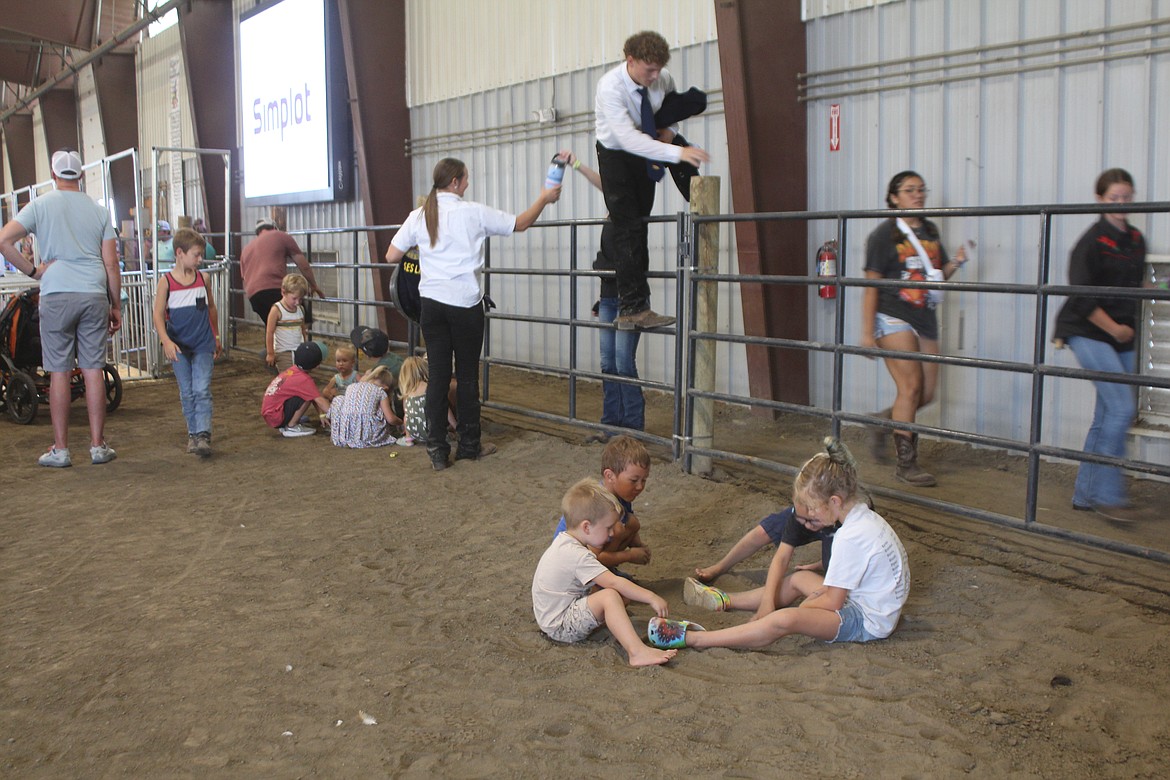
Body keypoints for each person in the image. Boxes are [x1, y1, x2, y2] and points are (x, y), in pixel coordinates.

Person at [648, 438, 910, 651]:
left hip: (866, 621)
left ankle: (697, 639)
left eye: (813, 509)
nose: (811, 516)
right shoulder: (864, 516)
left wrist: (805, 609)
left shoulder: (849, 536)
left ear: (834, 501)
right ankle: (726, 601)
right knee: (800, 579)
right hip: (872, 605)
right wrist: (818, 597)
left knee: (785, 619)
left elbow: (833, 602)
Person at [385, 157, 560, 470]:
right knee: (466, 376)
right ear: (454, 181)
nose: (467, 183)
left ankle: (437, 450)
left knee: (437, 375)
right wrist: (544, 199)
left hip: (432, 304)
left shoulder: (420, 215)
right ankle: (469, 445)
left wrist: (428, 252)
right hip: (465, 304)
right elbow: (520, 223)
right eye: (465, 179)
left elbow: (392, 254)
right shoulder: (473, 212)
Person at [0, 149, 121, 467]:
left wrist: (33, 271)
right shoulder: (98, 211)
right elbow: (111, 263)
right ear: (80, 177)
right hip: (94, 292)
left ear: (54, 176)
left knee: (59, 372)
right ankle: (98, 446)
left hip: (56, 292)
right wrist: (116, 304)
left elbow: (3, 240)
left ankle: (61, 449)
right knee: (94, 369)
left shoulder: (40, 205)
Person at [594, 31, 710, 331]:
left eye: (659, 68)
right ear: (630, 61)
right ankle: (631, 306)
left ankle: (639, 306)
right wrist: (677, 152)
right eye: (649, 70)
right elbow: (627, 139)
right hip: (616, 152)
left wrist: (671, 132)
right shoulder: (610, 87)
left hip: (647, 144)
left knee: (640, 223)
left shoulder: (662, 78)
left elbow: (669, 111)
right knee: (626, 223)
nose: (655, 75)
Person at [861, 170, 970, 487]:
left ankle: (883, 422)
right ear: (894, 197)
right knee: (909, 388)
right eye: (909, 190)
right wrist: (868, 331)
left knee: (926, 393)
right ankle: (906, 465)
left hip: (925, 317)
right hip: (892, 315)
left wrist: (957, 263)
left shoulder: (930, 231)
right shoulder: (883, 236)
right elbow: (871, 286)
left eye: (921, 190)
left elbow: (937, 276)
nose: (917, 195)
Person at [1054, 168, 1149, 524]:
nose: (1122, 203)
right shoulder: (1091, 242)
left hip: (1122, 331)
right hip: (1089, 329)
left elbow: (1137, 283)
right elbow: (1080, 296)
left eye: (1127, 197)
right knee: (1122, 410)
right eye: (1115, 198)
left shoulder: (1136, 239)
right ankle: (1110, 496)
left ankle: (1085, 493)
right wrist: (1116, 329)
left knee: (1108, 413)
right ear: (1100, 199)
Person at [532, 478, 677, 667]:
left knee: (618, 598)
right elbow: (615, 582)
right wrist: (651, 597)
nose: (612, 534)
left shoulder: (564, 541)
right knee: (610, 596)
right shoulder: (578, 556)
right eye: (608, 528)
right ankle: (637, 652)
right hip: (560, 626)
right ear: (586, 527)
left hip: (552, 615)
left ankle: (615, 624)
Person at [562, 150, 644, 434]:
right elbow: (603, 182)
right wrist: (576, 164)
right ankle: (611, 423)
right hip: (609, 296)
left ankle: (632, 426)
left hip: (628, 300)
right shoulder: (614, 207)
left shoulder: (633, 209)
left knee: (623, 362)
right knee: (609, 362)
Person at [151, 227, 222, 458]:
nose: (200, 259)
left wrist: (216, 335)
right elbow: (158, 314)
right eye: (196, 255)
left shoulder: (204, 279)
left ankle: (203, 434)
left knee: (201, 388)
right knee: (187, 391)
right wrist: (166, 341)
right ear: (180, 253)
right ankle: (193, 433)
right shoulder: (166, 282)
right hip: (178, 345)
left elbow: (211, 307)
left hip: (202, 343)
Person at [553, 435, 652, 575]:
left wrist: (640, 548)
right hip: (572, 565)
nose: (640, 486)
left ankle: (606, 573)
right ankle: (599, 578)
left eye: (644, 480)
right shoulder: (600, 505)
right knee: (618, 528)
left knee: (631, 523)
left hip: (588, 557)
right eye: (634, 480)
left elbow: (631, 526)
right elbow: (594, 556)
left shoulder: (621, 497)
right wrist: (630, 555)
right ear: (610, 476)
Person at [691, 504, 834, 587]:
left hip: (829, 522)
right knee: (764, 531)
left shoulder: (846, 529)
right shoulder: (801, 513)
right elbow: (782, 556)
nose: (806, 525)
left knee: (799, 582)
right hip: (816, 508)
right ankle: (721, 566)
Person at [240, 217, 323, 323]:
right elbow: (303, 265)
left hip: (254, 296)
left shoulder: (246, 249)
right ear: (274, 227)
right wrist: (313, 284)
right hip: (275, 289)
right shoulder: (282, 236)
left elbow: (244, 277)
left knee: (273, 327)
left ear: (257, 232)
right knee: (301, 320)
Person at [261, 341, 331, 438]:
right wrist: (337, 415)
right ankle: (291, 426)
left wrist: (321, 415)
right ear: (317, 365)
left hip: (271, 413)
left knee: (308, 395)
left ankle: (289, 423)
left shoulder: (293, 370)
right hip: (276, 417)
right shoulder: (304, 380)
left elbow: (314, 395)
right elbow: (319, 400)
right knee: (306, 398)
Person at [329, 365, 403, 449]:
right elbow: (391, 419)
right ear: (386, 388)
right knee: (380, 408)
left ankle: (336, 433)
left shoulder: (351, 386)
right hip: (368, 436)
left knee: (339, 399)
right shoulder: (380, 392)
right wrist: (401, 422)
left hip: (344, 435)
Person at [398, 355, 454, 447]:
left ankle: (408, 440)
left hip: (416, 435)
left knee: (407, 415)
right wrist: (456, 426)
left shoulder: (407, 393)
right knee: (441, 407)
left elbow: (406, 416)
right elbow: (446, 409)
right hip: (434, 434)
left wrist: (408, 437)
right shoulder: (430, 388)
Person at [265, 273, 310, 372]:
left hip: (299, 349)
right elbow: (269, 332)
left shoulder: (300, 309)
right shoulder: (276, 310)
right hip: (283, 351)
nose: (297, 302)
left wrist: (305, 345)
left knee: (300, 375)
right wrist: (270, 353)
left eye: (300, 299)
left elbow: (302, 329)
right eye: (294, 298)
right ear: (283, 292)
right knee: (288, 376)